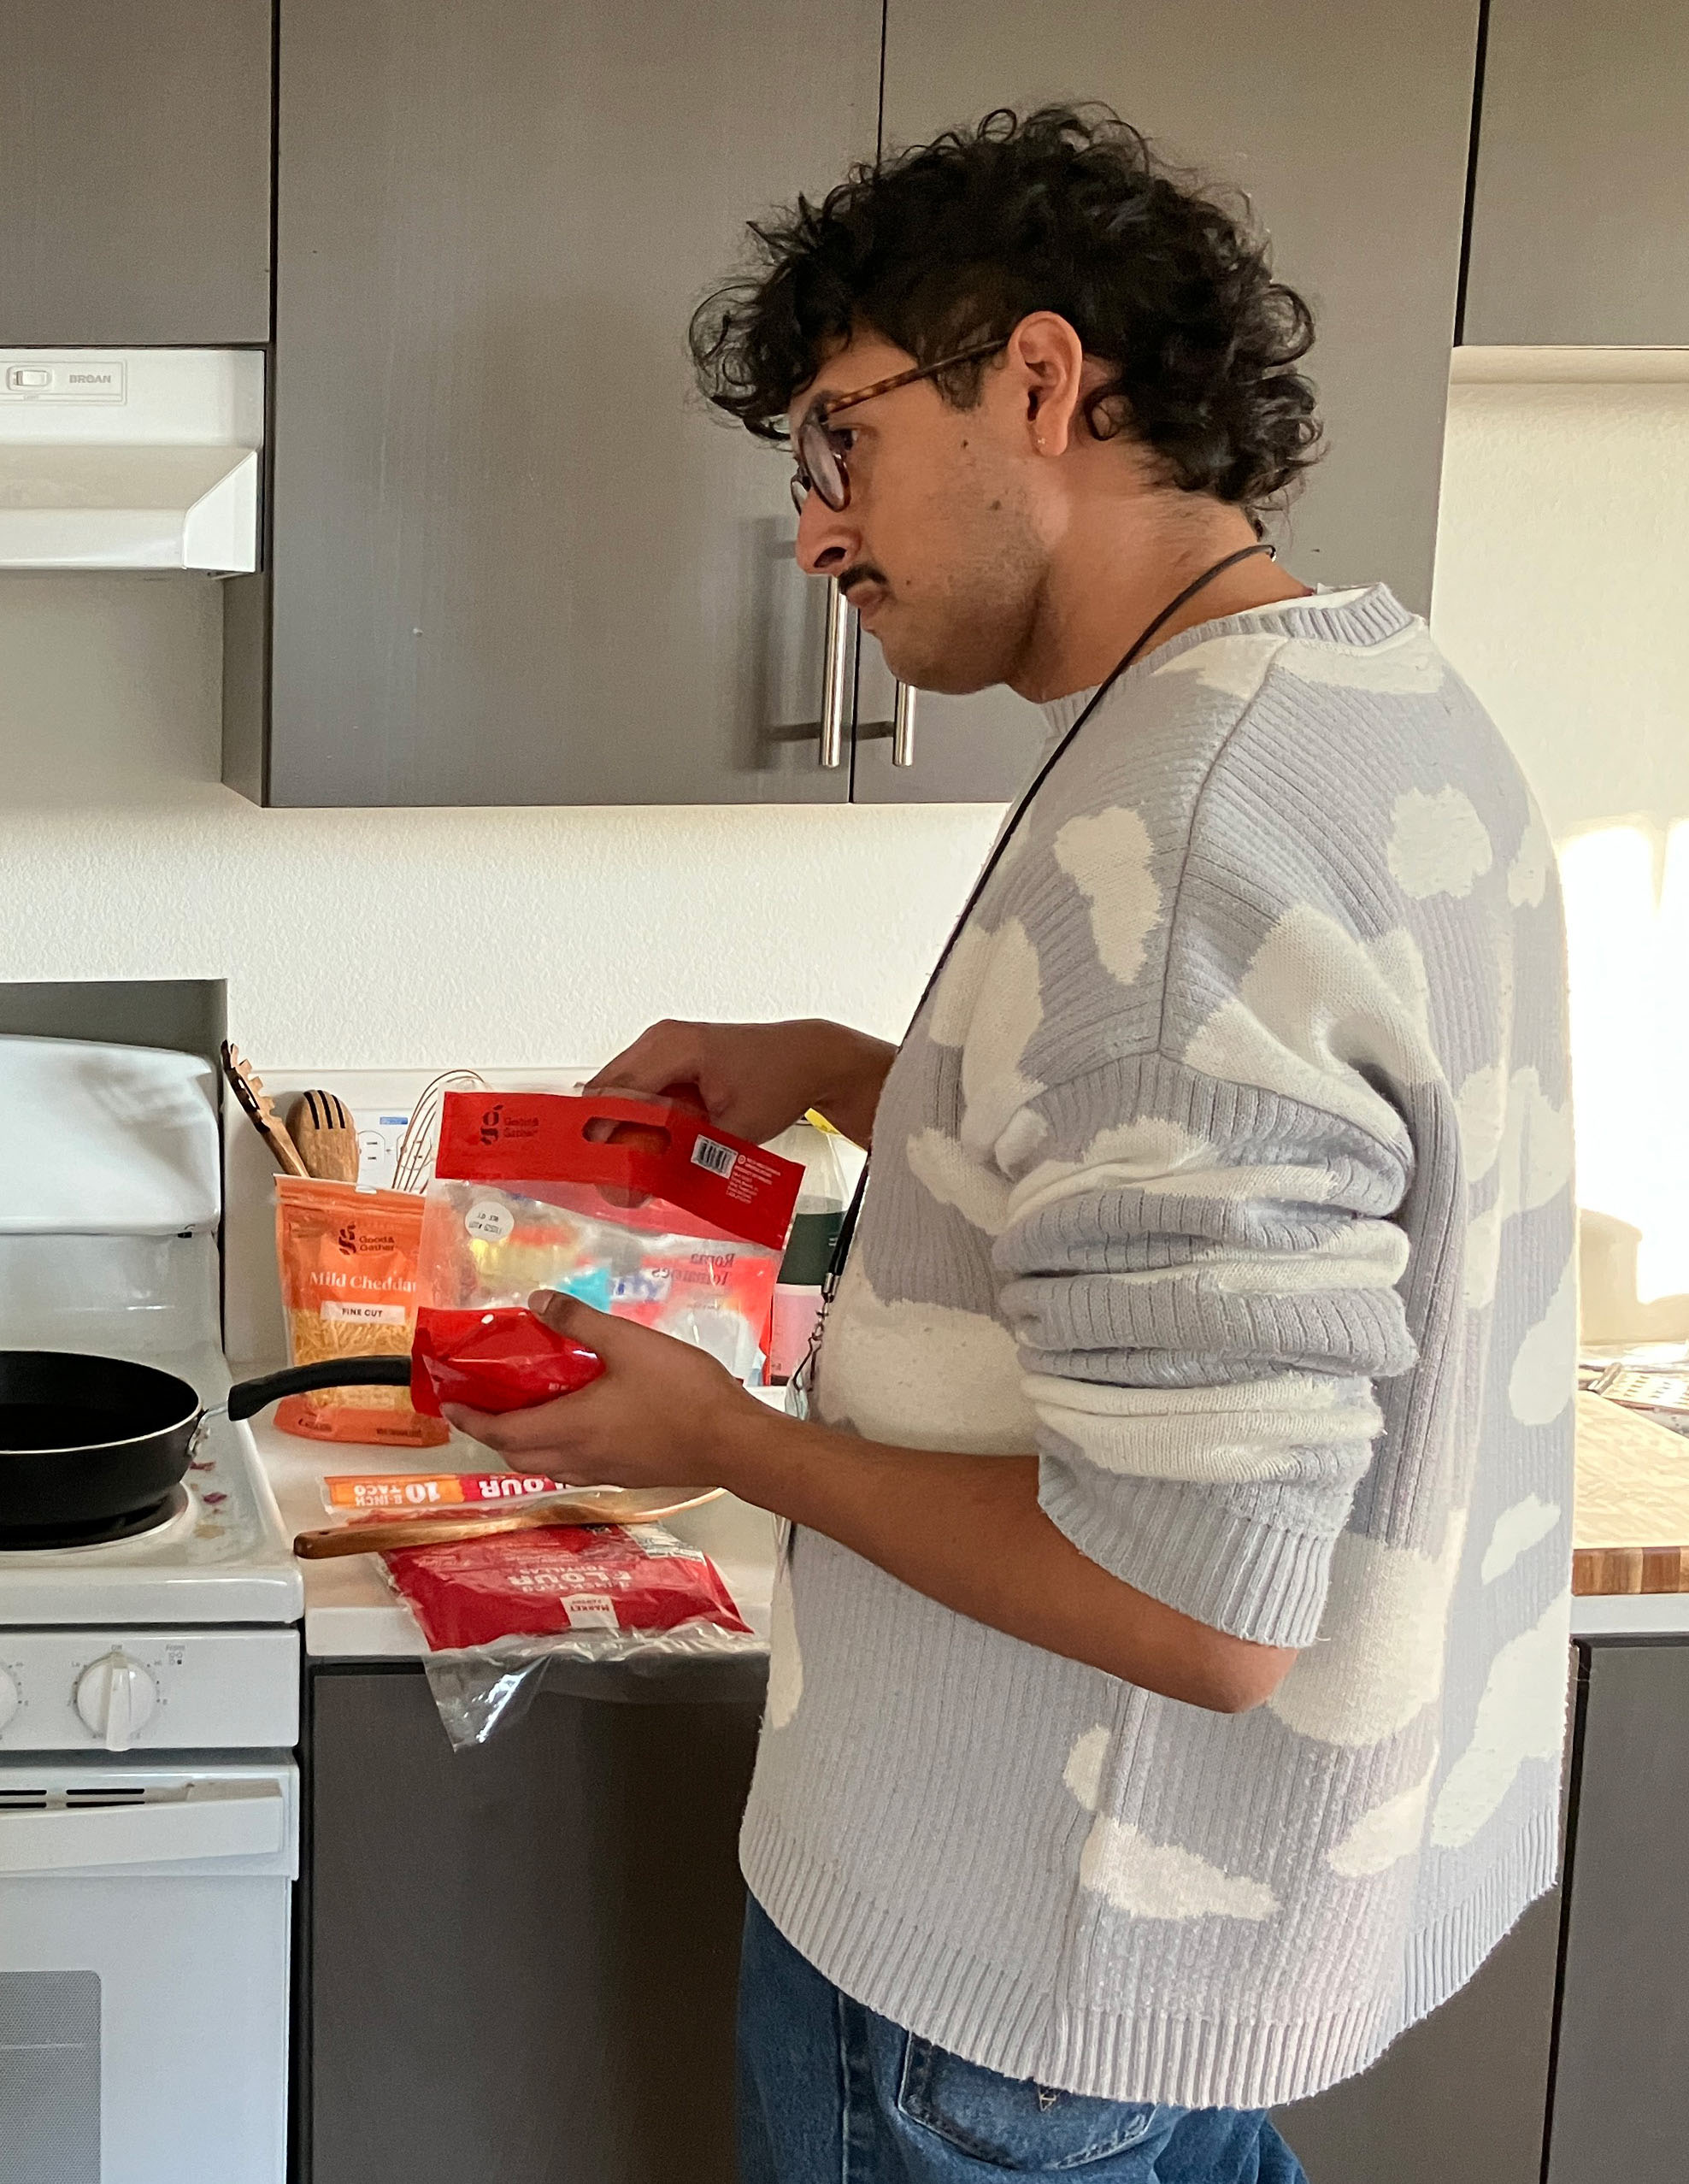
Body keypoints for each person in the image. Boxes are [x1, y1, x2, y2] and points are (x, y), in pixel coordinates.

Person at [446, 109, 1574, 2183]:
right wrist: (849, 1070)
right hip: (1167, 1929)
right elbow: (1186, 1164)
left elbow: (1203, 1609)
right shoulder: (1367, 707)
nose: (810, 532)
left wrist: (724, 1433)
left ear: (1037, 385)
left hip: (1004, 1969)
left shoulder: (1189, 831)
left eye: (835, 444)